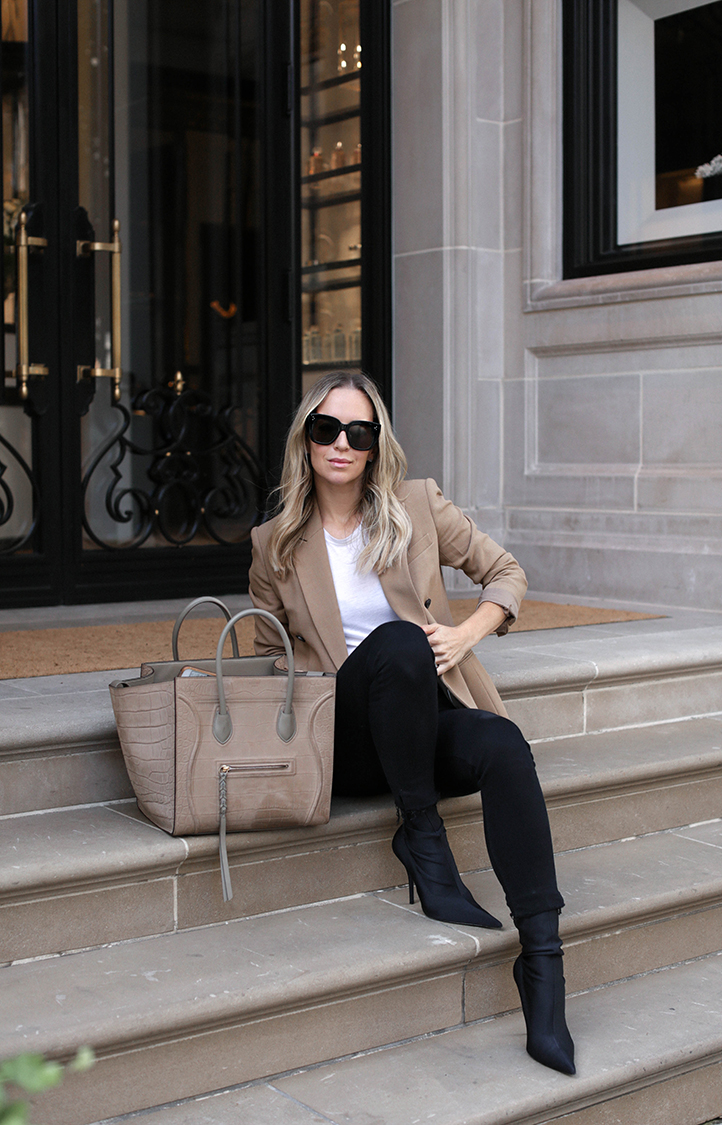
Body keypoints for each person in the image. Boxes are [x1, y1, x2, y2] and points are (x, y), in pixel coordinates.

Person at [248, 370, 576, 1077]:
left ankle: (543, 966)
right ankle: (424, 839)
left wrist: (468, 635)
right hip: (347, 739)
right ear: (305, 440)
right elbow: (267, 660)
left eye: (358, 431)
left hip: (422, 721)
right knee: (397, 642)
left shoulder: (418, 506)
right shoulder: (273, 543)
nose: (341, 443)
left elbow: (507, 572)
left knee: (504, 744)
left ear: (374, 445)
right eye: (326, 428)